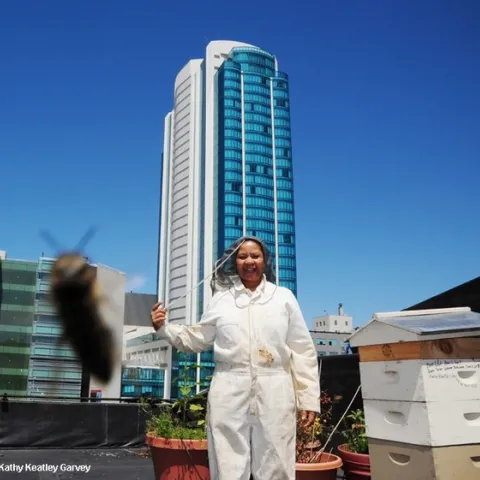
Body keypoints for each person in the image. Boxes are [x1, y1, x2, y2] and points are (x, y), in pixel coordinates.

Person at [151, 236, 320, 480]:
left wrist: (308, 398)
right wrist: (163, 327)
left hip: (276, 386)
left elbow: (303, 350)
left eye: (255, 256)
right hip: (229, 385)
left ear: (265, 261)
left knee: (277, 461)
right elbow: (198, 338)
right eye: (242, 256)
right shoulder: (222, 299)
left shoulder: (284, 298)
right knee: (227, 462)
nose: (249, 261)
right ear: (234, 262)